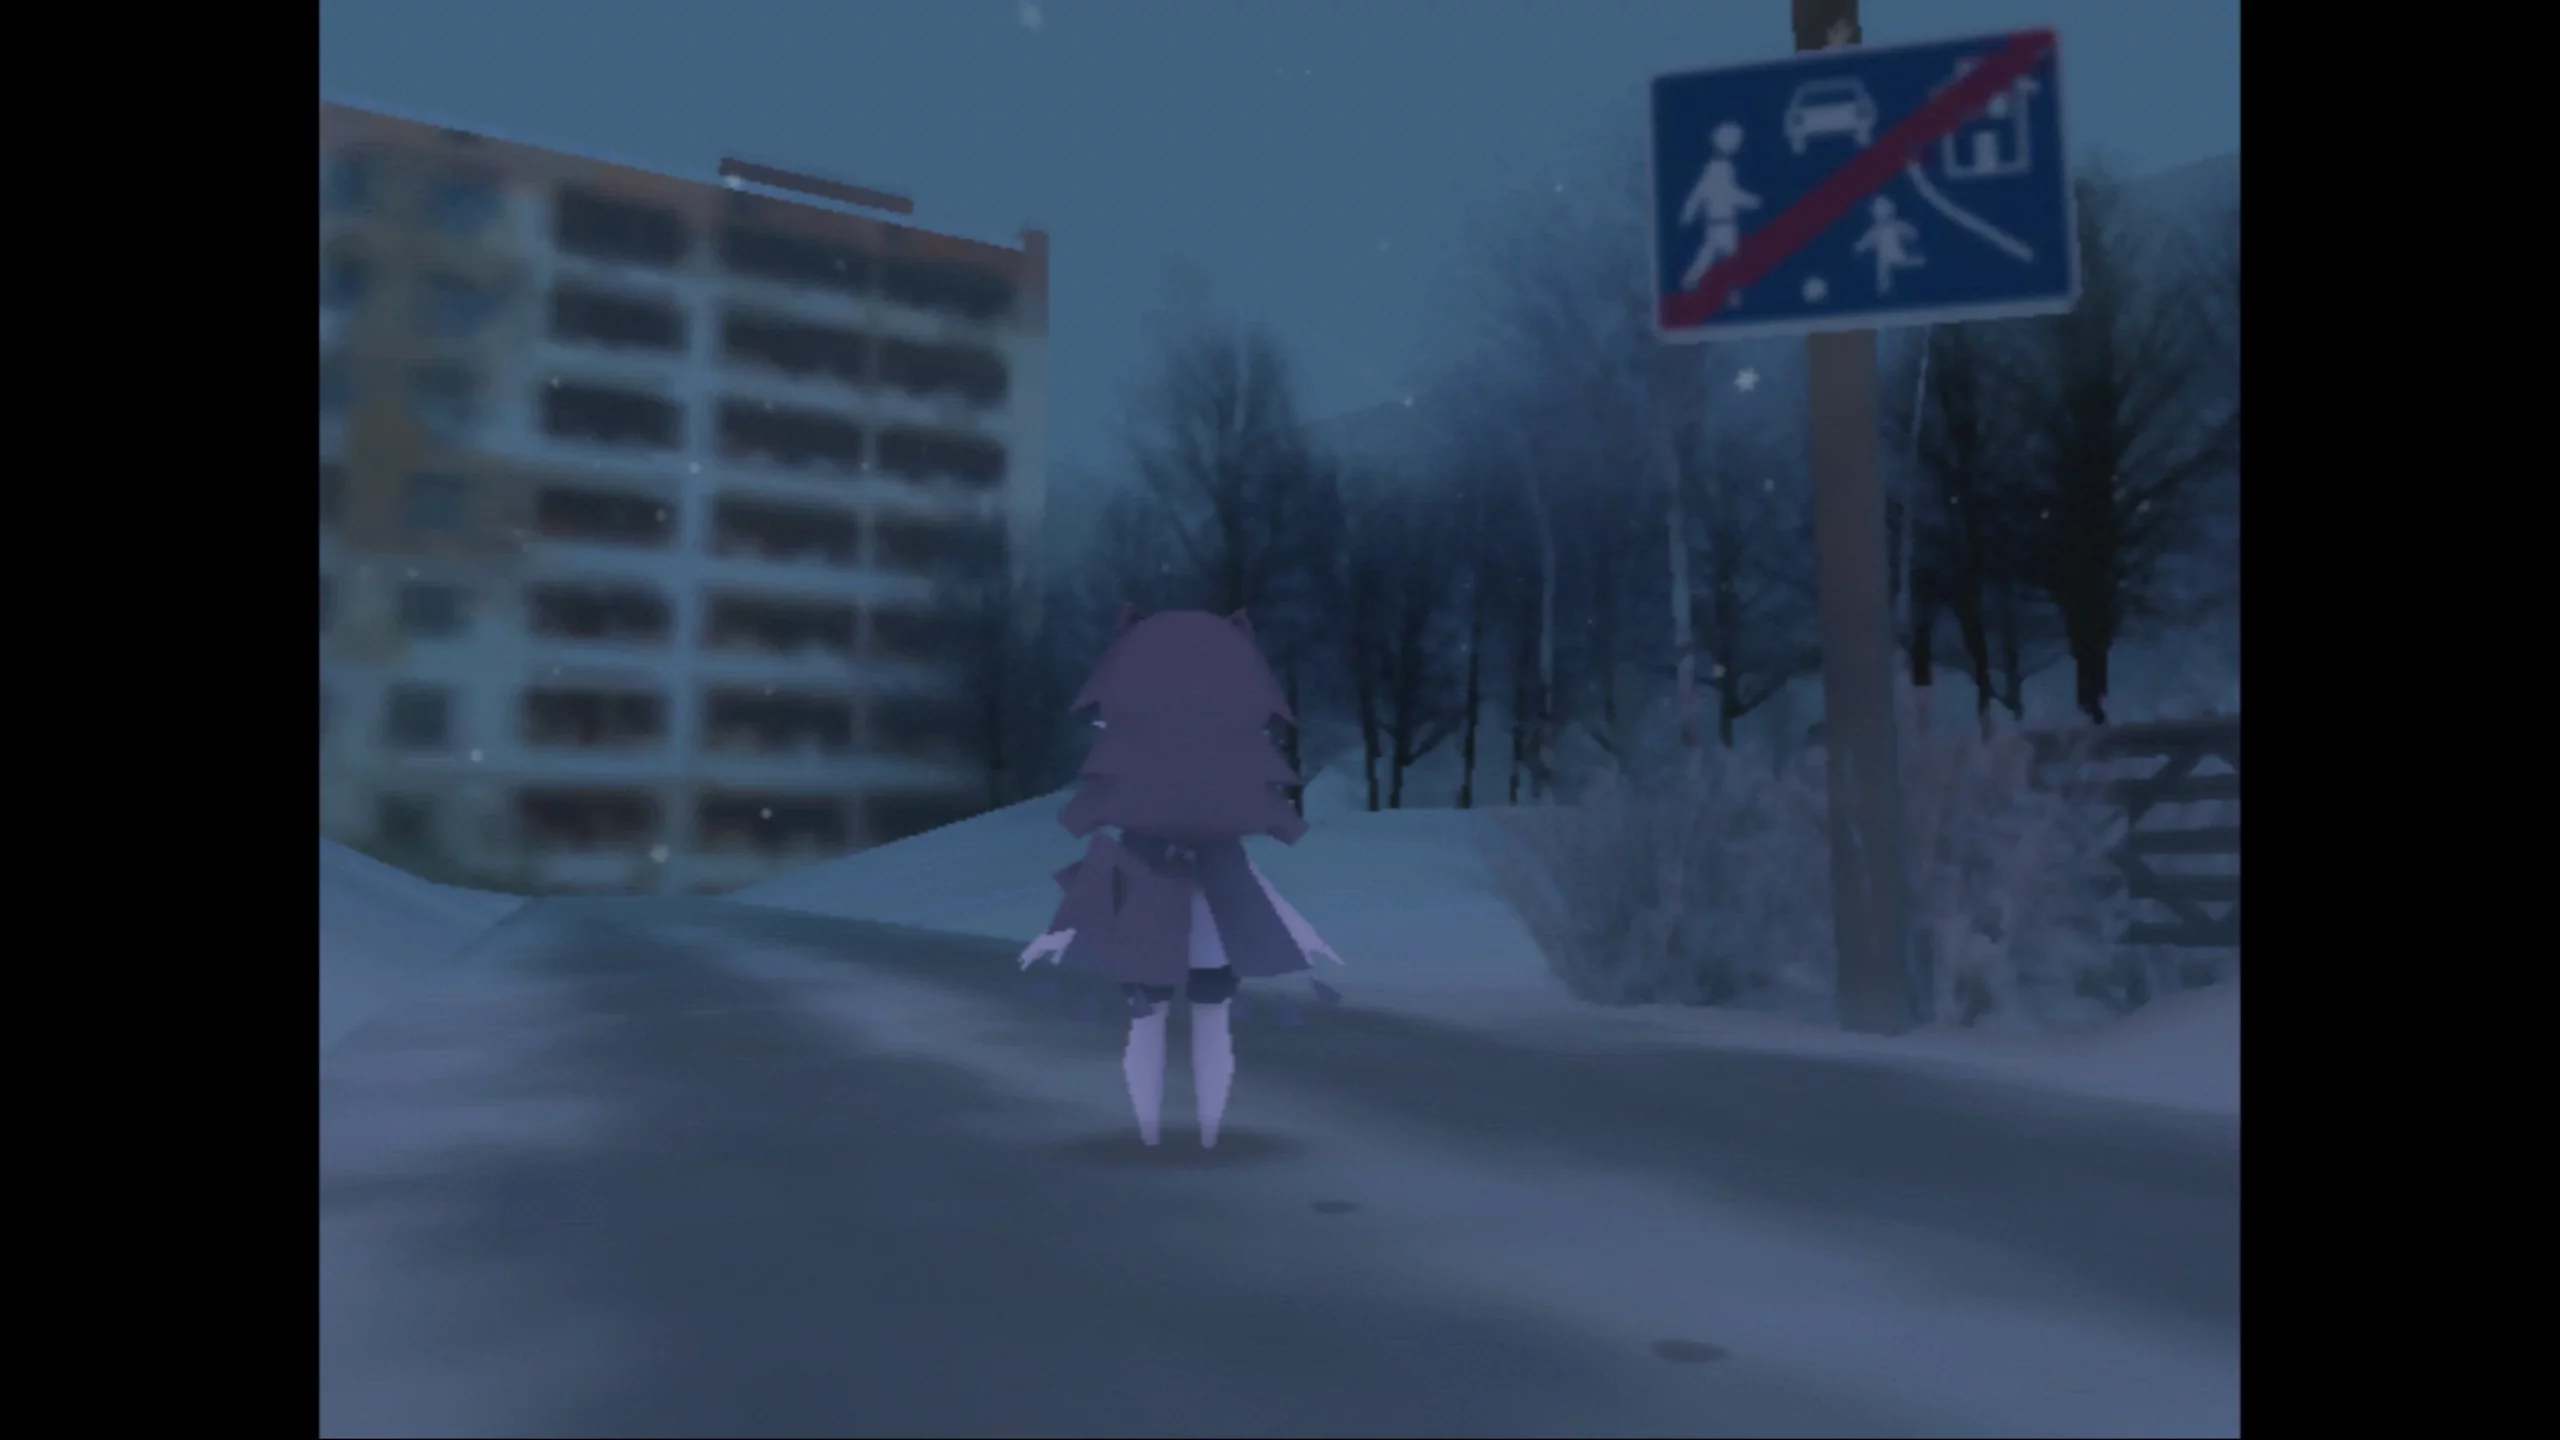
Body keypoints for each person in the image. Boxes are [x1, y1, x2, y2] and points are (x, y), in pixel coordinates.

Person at [1018, 606, 1345, 1149]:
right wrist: (1061, 931)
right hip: (1177, 932)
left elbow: (1242, 890)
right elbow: (1242, 889)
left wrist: (1062, 931)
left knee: (1172, 1024)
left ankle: (1179, 1132)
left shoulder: (1175, 831)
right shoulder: (1179, 832)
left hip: (1187, 932)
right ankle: (1175, 1132)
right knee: (1178, 1025)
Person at [1680, 120, 1761, 288]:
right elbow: (1729, 194)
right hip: (1721, 224)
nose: (1739, 146)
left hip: (1722, 224)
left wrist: (1689, 212)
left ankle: (1719, 288)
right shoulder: (1719, 169)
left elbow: (1699, 193)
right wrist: (1752, 201)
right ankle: (1693, 281)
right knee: (1716, 258)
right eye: (1737, 142)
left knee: (1718, 258)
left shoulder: (1718, 168)